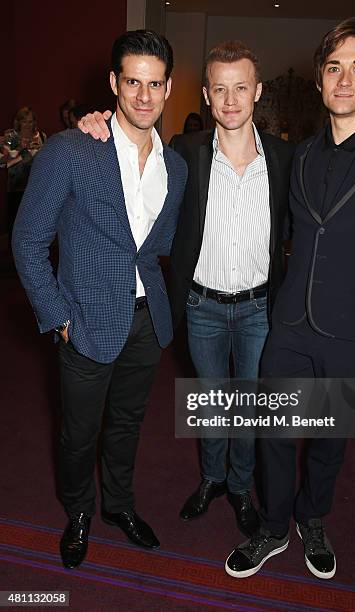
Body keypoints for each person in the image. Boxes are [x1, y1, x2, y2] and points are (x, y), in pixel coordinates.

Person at [224, 17, 355, 580]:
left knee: (331, 442)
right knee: (276, 434)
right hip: (290, 323)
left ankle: (314, 520)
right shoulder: (300, 156)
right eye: (334, 68)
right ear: (319, 80)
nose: (345, 79)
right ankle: (273, 527)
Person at [78, 41, 294, 537]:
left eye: (241, 87)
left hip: (260, 308)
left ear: (257, 91)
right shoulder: (184, 151)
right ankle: (212, 479)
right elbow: (126, 144)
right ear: (205, 95)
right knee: (214, 401)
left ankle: (241, 487)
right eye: (220, 89)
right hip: (201, 308)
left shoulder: (284, 157)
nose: (231, 99)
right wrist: (93, 123)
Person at [12, 29, 187, 570]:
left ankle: (119, 506)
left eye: (153, 84)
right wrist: (58, 316)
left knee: (127, 424)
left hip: (144, 322)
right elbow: (27, 241)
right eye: (132, 81)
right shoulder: (70, 150)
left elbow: (153, 247)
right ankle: (80, 513)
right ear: (114, 82)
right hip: (84, 322)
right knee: (78, 433)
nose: (142, 96)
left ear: (168, 88)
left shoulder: (175, 168)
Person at [1, 107, 46, 246]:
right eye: (24, 121)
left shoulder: (41, 136)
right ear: (18, 122)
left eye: (31, 121)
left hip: (36, 186)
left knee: (35, 224)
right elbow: (2, 162)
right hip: (16, 187)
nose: (28, 125)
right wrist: (21, 149)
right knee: (15, 224)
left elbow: (47, 159)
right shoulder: (11, 137)